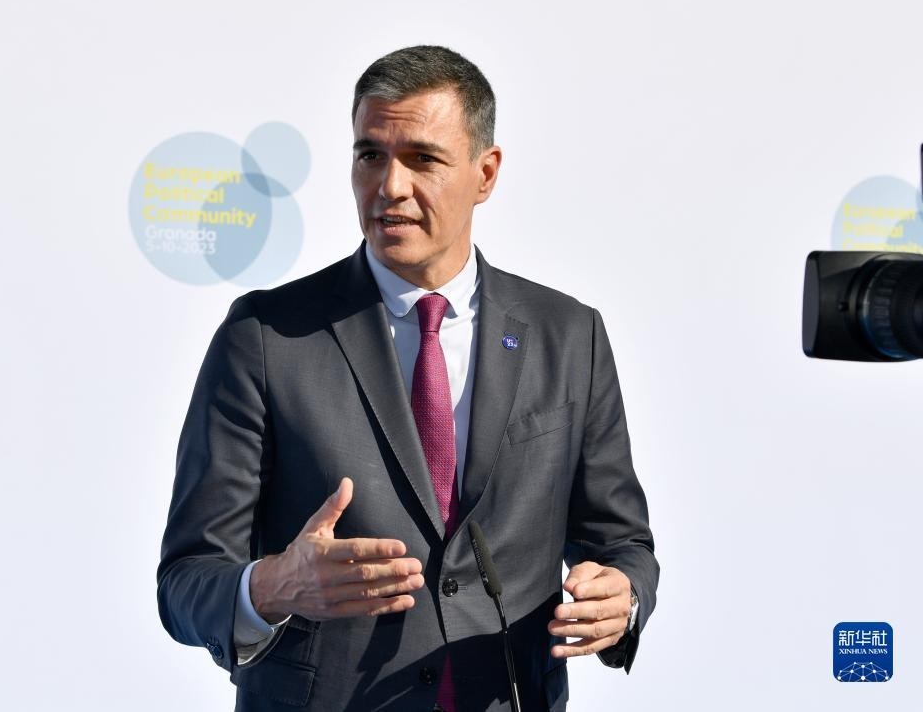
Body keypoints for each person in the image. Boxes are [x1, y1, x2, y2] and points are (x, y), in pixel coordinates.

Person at [157, 45, 658, 711]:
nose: (390, 185)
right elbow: (187, 581)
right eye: (370, 155)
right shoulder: (266, 337)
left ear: (485, 173)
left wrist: (622, 597)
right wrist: (275, 585)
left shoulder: (570, 336)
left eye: (422, 158)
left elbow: (621, 542)